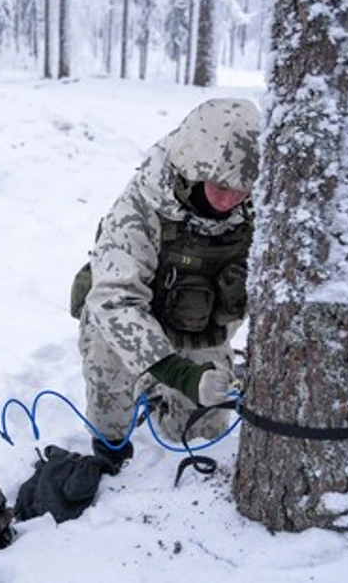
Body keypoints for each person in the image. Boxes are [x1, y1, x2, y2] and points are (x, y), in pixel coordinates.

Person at [76, 97, 260, 472]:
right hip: (129, 321)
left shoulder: (264, 205)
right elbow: (114, 301)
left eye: (242, 189)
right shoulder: (140, 206)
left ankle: (158, 387)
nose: (230, 200)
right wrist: (179, 374)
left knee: (198, 435)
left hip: (201, 330)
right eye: (220, 186)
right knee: (106, 358)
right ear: (192, 170)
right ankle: (111, 443)